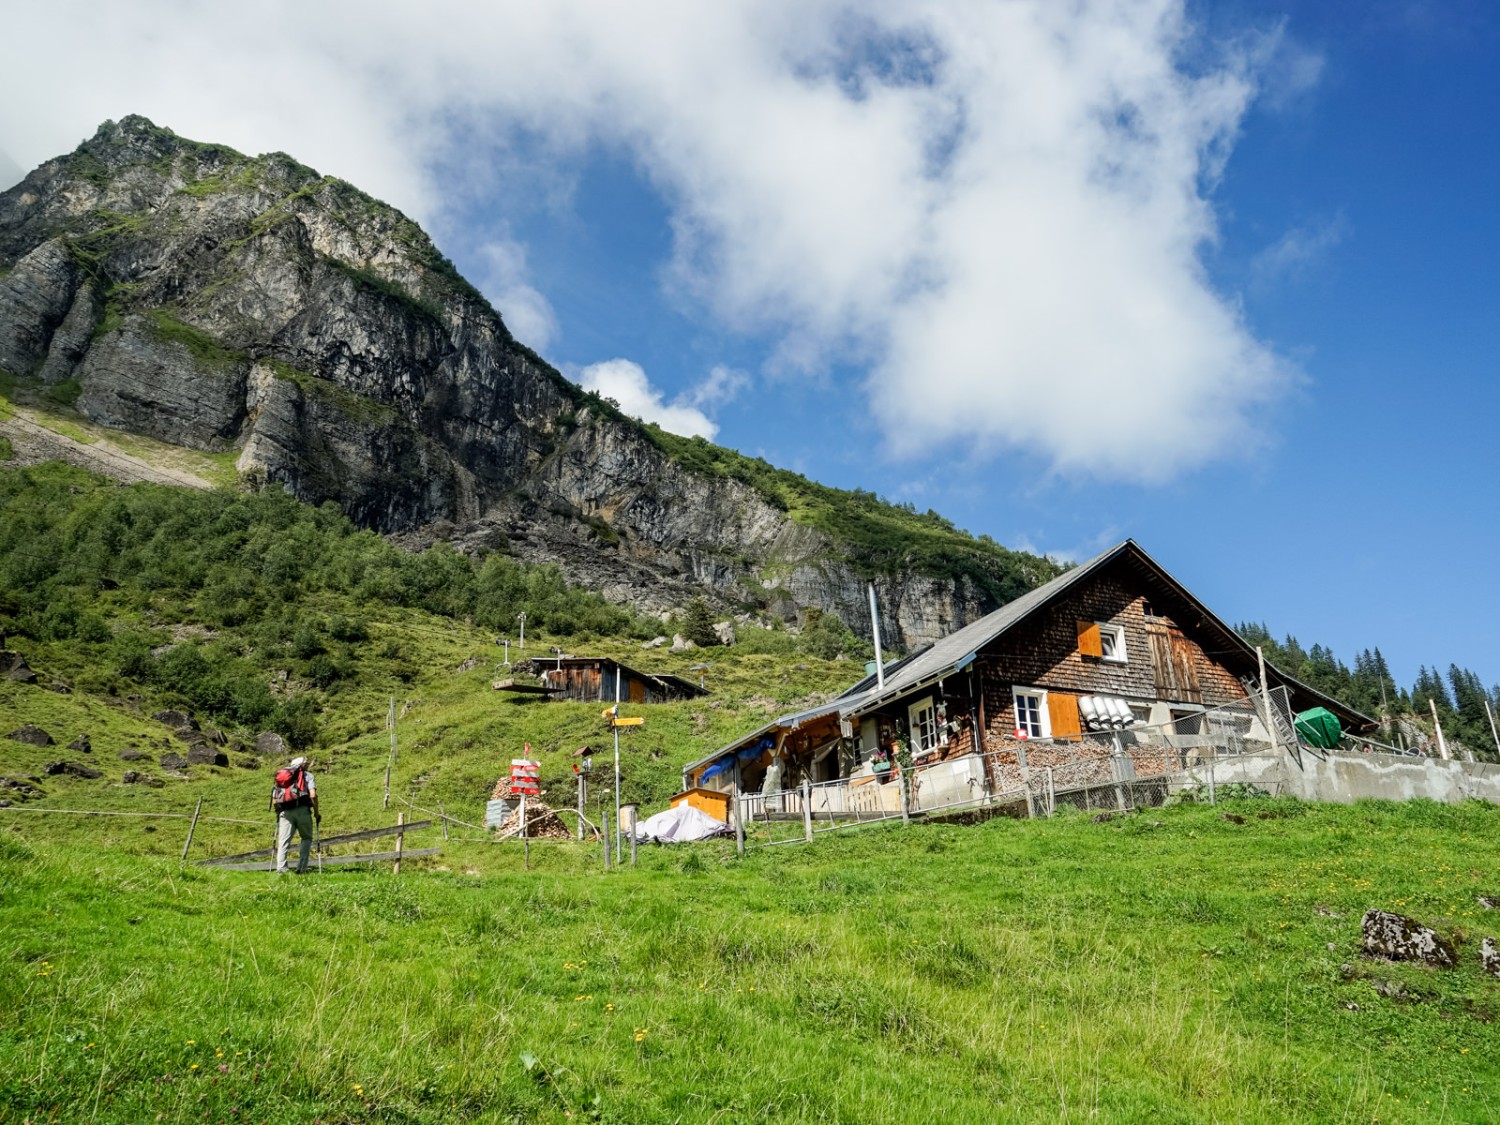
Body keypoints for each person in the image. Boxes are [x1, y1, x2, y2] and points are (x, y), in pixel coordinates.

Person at [271, 756, 320, 874]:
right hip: (303, 810)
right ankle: (301, 869)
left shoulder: (282, 777)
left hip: (285, 811)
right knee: (306, 838)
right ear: (302, 765)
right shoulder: (307, 775)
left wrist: (278, 813)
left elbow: (274, 800)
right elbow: (313, 795)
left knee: (283, 841)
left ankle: (281, 869)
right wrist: (316, 813)